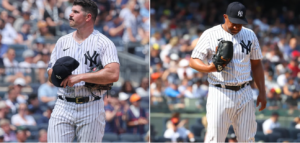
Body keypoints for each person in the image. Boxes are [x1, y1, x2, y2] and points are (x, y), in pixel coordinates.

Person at [189, 2, 266, 142]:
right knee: (215, 139)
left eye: (240, 23)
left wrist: (262, 91)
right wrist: (209, 68)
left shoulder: (250, 34)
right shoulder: (210, 34)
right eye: (234, 22)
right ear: (225, 17)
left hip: (245, 91)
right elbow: (193, 60)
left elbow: (257, 64)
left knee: (248, 139)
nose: (237, 26)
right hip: (220, 91)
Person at [46, 0, 120, 142]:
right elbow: (50, 74)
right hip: (63, 105)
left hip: (91, 106)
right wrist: (57, 74)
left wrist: (80, 77)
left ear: (88, 17)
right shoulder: (62, 41)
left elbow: (113, 73)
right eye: (71, 11)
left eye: (75, 12)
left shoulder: (104, 43)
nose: (70, 14)